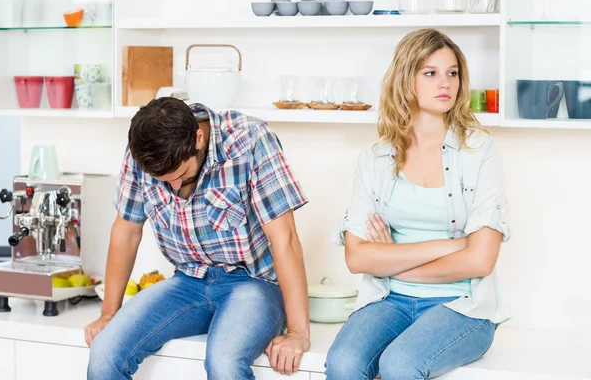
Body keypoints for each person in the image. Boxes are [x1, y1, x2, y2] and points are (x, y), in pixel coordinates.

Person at [325, 28, 511, 380]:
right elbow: (357, 257)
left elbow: (481, 260)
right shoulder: (376, 157)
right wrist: (451, 245)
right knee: (343, 363)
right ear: (405, 80)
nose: (446, 83)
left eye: (452, 73)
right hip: (389, 300)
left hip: (462, 307)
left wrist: (393, 260)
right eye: (430, 72)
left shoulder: (480, 152)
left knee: (400, 363)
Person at [84, 98, 311, 379]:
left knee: (224, 362)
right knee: (104, 353)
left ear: (198, 138)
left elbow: (285, 239)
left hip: (253, 284)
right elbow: (127, 231)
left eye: (180, 175)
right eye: (164, 181)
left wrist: (298, 333)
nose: (175, 187)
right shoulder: (143, 149)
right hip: (187, 281)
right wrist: (108, 313)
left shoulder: (250, 139)